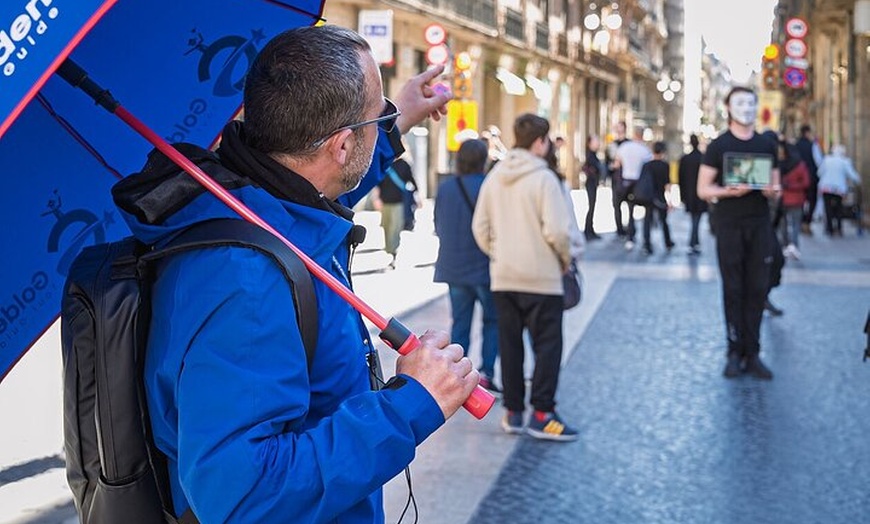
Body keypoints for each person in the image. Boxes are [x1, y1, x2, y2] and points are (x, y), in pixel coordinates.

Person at [112, 25, 479, 523]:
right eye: (380, 113)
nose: (385, 120)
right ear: (343, 145)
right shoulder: (244, 280)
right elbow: (242, 495)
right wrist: (410, 405)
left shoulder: (267, 202)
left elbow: (317, 199)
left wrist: (399, 120)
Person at [472, 114, 577, 442]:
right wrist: (562, 259)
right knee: (547, 346)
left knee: (510, 344)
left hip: (504, 277)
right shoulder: (544, 178)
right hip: (542, 277)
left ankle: (513, 412)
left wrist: (500, 253)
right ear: (540, 142)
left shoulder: (495, 176)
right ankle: (543, 413)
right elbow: (558, 231)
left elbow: (480, 228)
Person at [697, 86, 781, 380]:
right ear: (728, 108)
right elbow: (703, 190)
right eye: (739, 102)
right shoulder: (718, 146)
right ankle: (733, 351)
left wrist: (773, 191)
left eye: (750, 102)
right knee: (733, 289)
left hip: (759, 225)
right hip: (729, 226)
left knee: (757, 288)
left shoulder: (767, 145)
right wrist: (728, 191)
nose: (746, 108)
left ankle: (753, 352)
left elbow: (775, 187)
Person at [433, 138, 501, 395]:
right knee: (492, 320)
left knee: (460, 321)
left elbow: (438, 224)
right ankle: (486, 372)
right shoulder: (489, 186)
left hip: (454, 265)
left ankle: (457, 376)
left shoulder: (446, 187)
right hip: (485, 266)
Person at [372, 154, 419, 268]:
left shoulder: (404, 164)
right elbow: (377, 183)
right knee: (387, 227)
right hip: (385, 202)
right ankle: (389, 250)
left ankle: (393, 253)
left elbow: (411, 180)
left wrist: (417, 197)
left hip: (399, 202)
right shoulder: (384, 164)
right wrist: (376, 198)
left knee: (395, 228)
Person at [615, 126, 653, 250]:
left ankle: (631, 237)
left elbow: (617, 163)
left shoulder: (624, 147)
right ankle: (646, 241)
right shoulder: (645, 150)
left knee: (630, 211)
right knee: (646, 213)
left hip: (626, 183)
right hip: (640, 184)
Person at [818, 144, 862, 237]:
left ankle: (829, 229)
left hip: (826, 187)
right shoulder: (844, 161)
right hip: (838, 188)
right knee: (838, 208)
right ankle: (838, 228)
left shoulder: (827, 160)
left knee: (828, 208)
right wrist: (859, 181)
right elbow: (852, 174)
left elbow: (819, 173)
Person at [776, 137, 810, 259]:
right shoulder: (800, 165)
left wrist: (787, 185)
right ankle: (793, 246)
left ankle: (786, 245)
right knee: (795, 224)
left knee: (784, 223)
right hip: (796, 199)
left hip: (784, 199)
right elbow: (806, 182)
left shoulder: (779, 165)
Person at [640, 141, 674, 255]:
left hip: (648, 196)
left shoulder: (646, 165)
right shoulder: (665, 165)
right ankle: (668, 242)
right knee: (663, 221)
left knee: (647, 221)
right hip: (660, 196)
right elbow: (667, 185)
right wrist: (670, 200)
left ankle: (647, 244)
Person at [679, 134, 708, 255]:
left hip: (690, 194)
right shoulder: (703, 158)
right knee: (696, 219)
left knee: (694, 219)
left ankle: (693, 242)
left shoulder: (686, 159)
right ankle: (694, 242)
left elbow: (681, 179)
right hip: (700, 194)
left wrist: (682, 196)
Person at [795, 124, 823, 235]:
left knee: (801, 200)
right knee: (812, 200)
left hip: (799, 179)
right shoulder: (813, 145)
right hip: (811, 177)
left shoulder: (795, 145)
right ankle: (807, 222)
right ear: (807, 132)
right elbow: (819, 162)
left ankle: (802, 221)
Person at [606, 121, 629, 237]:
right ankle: (619, 229)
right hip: (616, 179)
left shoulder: (629, 144)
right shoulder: (612, 145)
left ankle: (630, 228)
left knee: (630, 204)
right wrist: (612, 166)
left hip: (628, 179)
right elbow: (607, 163)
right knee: (616, 204)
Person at [583, 134, 606, 240]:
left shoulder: (594, 154)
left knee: (592, 207)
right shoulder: (590, 155)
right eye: (595, 141)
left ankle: (590, 230)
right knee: (591, 207)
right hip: (590, 183)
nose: (597, 143)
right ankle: (588, 231)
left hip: (593, 183)